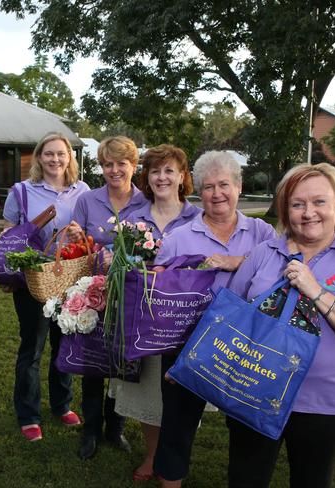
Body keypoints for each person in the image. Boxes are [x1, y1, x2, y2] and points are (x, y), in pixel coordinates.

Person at [226, 163, 335, 488]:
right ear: (286, 210)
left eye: (319, 202)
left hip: (325, 404)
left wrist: (316, 291)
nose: (308, 212)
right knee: (245, 479)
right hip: (253, 392)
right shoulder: (263, 253)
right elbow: (230, 315)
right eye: (298, 204)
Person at [152, 150, 276, 488]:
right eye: (208, 187)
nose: (217, 193)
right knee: (177, 424)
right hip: (186, 345)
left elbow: (283, 268)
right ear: (199, 192)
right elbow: (158, 288)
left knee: (246, 428)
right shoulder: (179, 238)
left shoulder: (263, 233)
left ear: (238, 186)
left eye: (224, 184)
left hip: (246, 347)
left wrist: (235, 261)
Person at [109, 144, 202, 481]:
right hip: (143, 321)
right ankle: (153, 456)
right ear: (147, 177)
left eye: (169, 170)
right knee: (149, 391)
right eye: (155, 171)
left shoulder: (198, 219)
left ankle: (175, 456)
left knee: (180, 396)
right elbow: (117, 261)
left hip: (184, 323)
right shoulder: (134, 218)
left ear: (182, 176)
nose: (162, 177)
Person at [2, 132, 90, 442]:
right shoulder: (21, 191)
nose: (55, 159)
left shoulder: (83, 191)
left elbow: (89, 231)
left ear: (70, 158)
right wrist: (8, 270)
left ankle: (61, 404)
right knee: (33, 347)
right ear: (39, 157)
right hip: (34, 280)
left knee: (64, 344)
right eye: (49, 153)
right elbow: (9, 232)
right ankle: (28, 414)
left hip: (71, 278)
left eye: (61, 154)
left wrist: (82, 232)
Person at [67, 135, 148, 459]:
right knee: (93, 365)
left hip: (130, 294)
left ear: (134, 165)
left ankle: (115, 428)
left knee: (122, 364)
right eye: (107, 164)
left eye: (121, 163)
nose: (114, 170)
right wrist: (78, 238)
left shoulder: (146, 202)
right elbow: (80, 250)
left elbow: (152, 247)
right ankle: (90, 431)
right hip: (94, 293)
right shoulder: (88, 200)